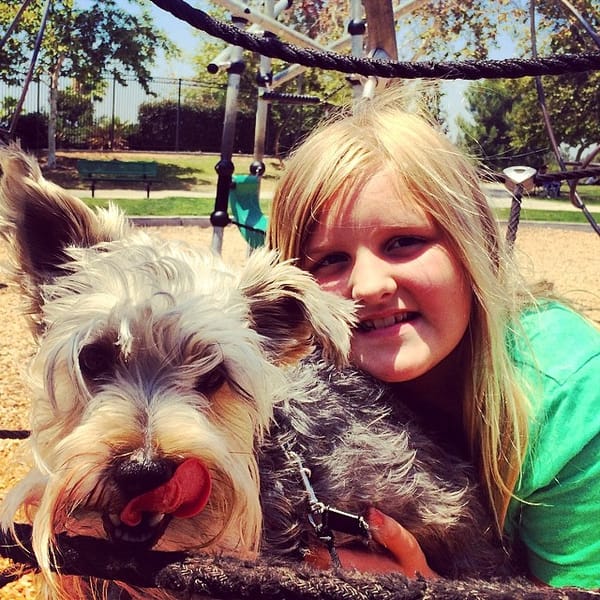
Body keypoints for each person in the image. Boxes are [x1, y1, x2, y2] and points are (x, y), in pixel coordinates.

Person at [266, 89, 600, 589]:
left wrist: (428, 588)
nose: (369, 286)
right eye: (329, 261)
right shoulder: (289, 380)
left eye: (403, 242)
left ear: (474, 248)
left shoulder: (569, 395)